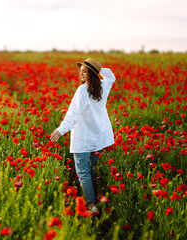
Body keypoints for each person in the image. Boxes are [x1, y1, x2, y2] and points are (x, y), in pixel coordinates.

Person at [50, 58, 116, 213]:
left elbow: (72, 115)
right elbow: (111, 76)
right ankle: (94, 199)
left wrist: (61, 129)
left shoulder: (82, 91)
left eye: (85, 71)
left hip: (84, 139)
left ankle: (90, 205)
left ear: (92, 74)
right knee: (90, 170)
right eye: (80, 71)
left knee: (83, 172)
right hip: (98, 138)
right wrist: (100, 69)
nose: (81, 73)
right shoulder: (103, 86)